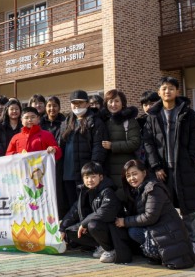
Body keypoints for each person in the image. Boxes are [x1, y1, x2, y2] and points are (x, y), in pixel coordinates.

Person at [142, 76, 195, 252]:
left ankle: (191, 241)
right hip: (163, 170)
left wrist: (189, 157)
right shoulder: (153, 116)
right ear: (159, 92)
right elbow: (148, 142)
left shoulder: (187, 112)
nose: (167, 91)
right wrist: (156, 167)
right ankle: (171, 240)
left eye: (171, 88)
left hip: (183, 168)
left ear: (177, 91)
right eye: (164, 88)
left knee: (187, 208)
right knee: (164, 207)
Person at [115, 159, 195, 269]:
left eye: (134, 174)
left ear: (144, 173)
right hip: (160, 231)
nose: (131, 178)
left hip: (169, 235)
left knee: (133, 231)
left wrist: (125, 221)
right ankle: (155, 253)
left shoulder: (153, 189)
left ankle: (158, 255)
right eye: (128, 175)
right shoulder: (138, 190)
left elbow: (150, 217)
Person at [59, 162, 129, 264]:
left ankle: (110, 250)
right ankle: (100, 246)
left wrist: (84, 223)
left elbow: (104, 212)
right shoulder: (85, 192)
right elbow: (73, 211)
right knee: (70, 231)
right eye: (86, 177)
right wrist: (62, 228)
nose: (89, 180)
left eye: (93, 177)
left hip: (113, 229)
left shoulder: (107, 191)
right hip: (96, 226)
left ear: (100, 177)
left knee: (92, 225)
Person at [57, 90, 109, 218]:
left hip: (86, 174)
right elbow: (60, 145)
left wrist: (93, 169)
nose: (77, 106)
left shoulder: (95, 122)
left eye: (80, 103)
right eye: (74, 103)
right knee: (71, 205)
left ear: (87, 104)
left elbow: (98, 146)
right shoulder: (66, 122)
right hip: (67, 173)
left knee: (85, 206)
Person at [99, 89, 141, 199]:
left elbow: (135, 142)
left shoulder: (129, 121)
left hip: (125, 166)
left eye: (117, 101)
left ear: (123, 103)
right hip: (108, 168)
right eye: (110, 101)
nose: (113, 104)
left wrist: (112, 146)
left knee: (126, 196)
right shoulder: (102, 121)